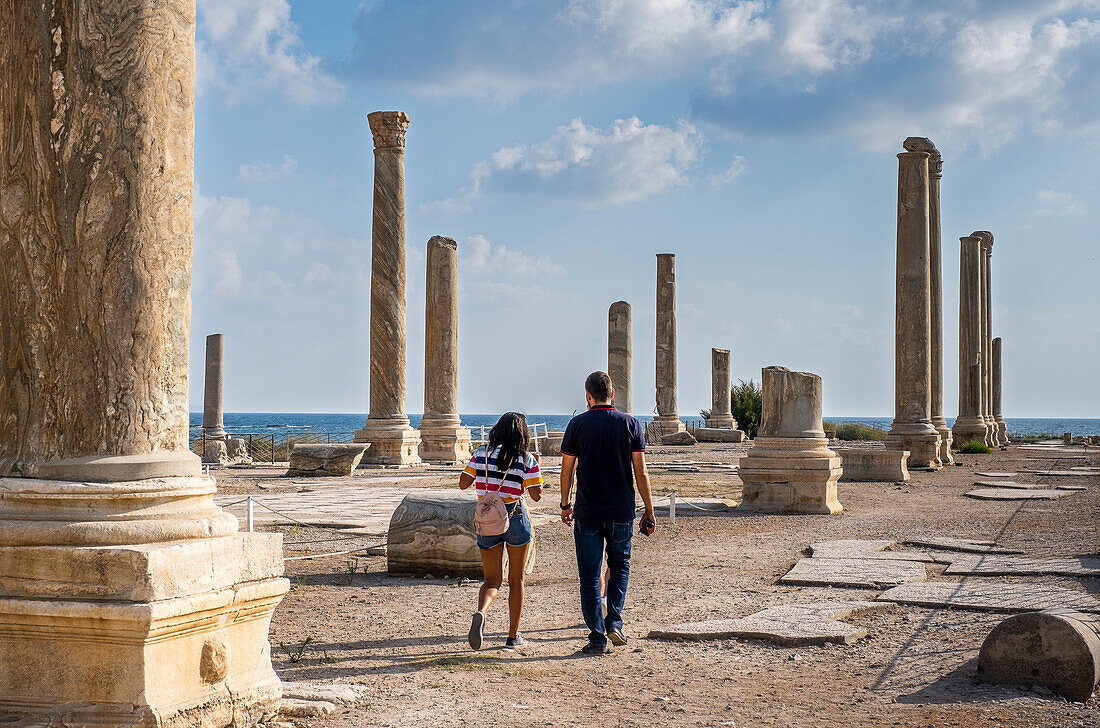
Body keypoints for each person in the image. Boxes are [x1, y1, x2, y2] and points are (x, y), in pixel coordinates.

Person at [560, 371, 655, 655]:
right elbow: (641, 471)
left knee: (590, 576)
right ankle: (614, 620)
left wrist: (565, 504)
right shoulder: (630, 424)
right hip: (621, 510)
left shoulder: (577, 425)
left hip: (587, 511)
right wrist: (649, 509)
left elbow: (567, 470)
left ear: (588, 396)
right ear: (612, 394)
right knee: (620, 566)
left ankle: (597, 637)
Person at [459, 412, 543, 650]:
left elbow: (463, 484)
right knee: (516, 580)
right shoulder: (526, 460)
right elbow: (537, 496)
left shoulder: (481, 454)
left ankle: (481, 612)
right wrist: (537, 470)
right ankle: (513, 636)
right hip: (515, 518)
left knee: (491, 580)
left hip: (487, 521)